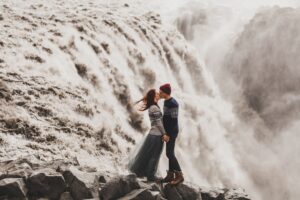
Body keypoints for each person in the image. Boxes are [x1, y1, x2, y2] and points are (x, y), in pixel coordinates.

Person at [127, 89, 167, 181]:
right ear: (153, 97)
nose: (159, 94)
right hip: (156, 135)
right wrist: (164, 134)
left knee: (150, 155)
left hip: (154, 134)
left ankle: (149, 174)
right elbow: (159, 123)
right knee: (154, 156)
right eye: (157, 94)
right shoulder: (154, 108)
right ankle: (151, 176)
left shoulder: (153, 107)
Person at [159, 83, 184, 185]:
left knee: (169, 153)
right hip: (167, 131)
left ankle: (180, 175)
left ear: (165, 93)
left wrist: (168, 134)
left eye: (161, 92)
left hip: (172, 132)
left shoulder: (173, 103)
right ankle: (170, 175)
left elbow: (173, 121)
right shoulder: (166, 101)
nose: (159, 93)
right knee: (170, 153)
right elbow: (166, 118)